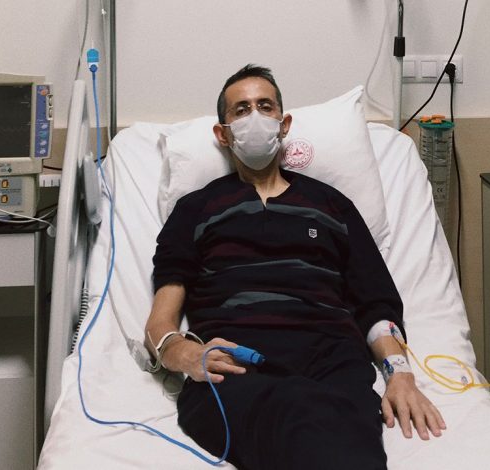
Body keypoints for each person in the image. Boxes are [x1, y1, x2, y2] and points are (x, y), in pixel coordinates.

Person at [145, 64, 445, 470]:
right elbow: (160, 320)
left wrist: (399, 373)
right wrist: (182, 353)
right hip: (233, 362)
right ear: (222, 134)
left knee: (340, 431)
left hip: (331, 358)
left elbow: (375, 304)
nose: (255, 117)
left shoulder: (333, 205)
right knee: (301, 419)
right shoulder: (195, 209)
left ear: (283, 124)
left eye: (265, 106)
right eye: (241, 110)